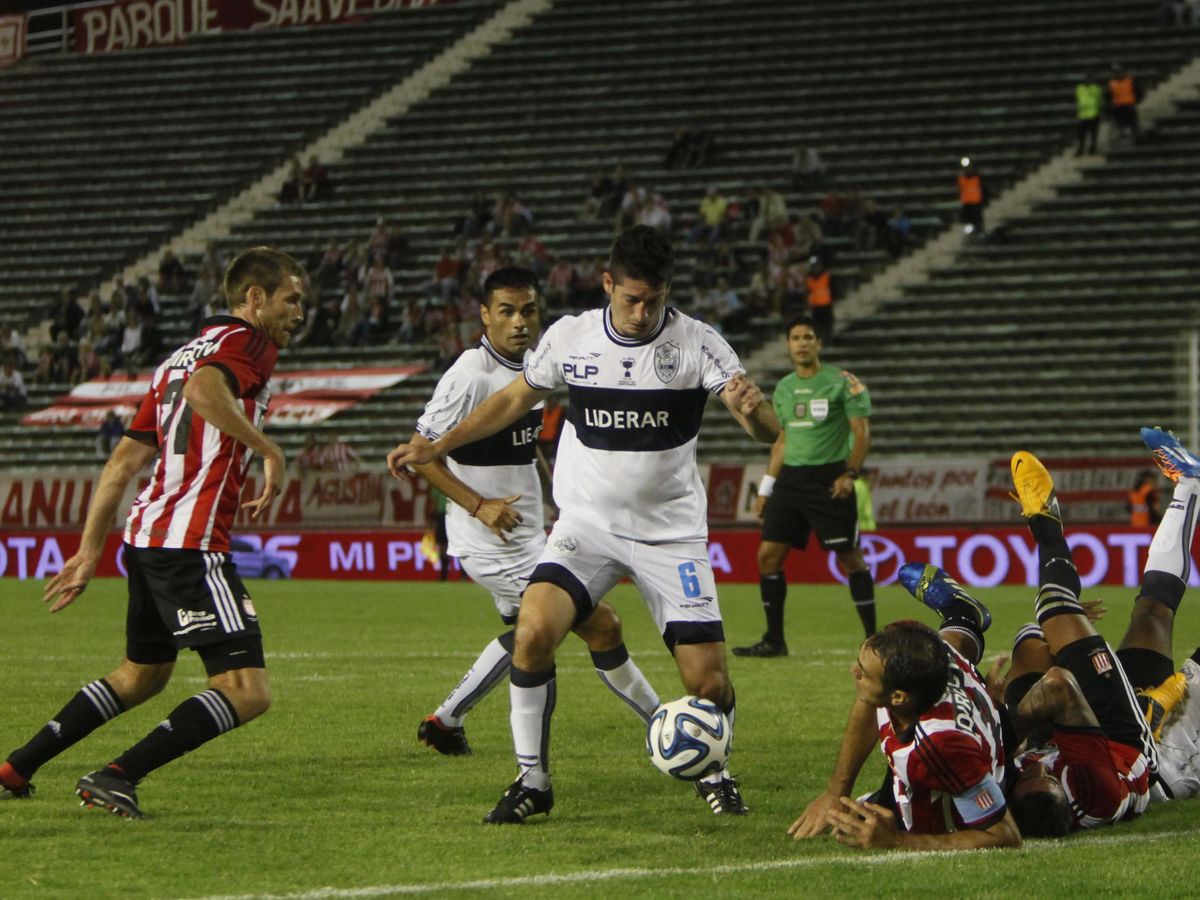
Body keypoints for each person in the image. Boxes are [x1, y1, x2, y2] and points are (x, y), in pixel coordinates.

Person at [387, 226, 780, 822]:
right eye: (630, 299)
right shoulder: (571, 338)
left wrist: (757, 416)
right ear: (607, 285)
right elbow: (511, 400)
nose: (643, 312)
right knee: (532, 632)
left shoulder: (699, 342)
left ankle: (715, 771)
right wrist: (437, 442)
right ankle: (533, 782)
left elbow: (766, 428)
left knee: (709, 683)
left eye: (654, 299)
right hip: (586, 528)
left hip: (670, 535)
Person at [0, 248, 305, 816]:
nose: (300, 312)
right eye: (291, 299)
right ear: (254, 298)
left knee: (142, 676)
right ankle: (117, 775)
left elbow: (120, 465)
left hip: (145, 537)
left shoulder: (175, 360)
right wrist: (269, 449)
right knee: (247, 690)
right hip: (189, 545)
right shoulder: (248, 344)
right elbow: (205, 393)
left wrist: (89, 551)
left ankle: (17, 766)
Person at [396, 265, 659, 759]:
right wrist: (479, 506)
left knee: (529, 632)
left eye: (528, 311)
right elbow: (419, 454)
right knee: (600, 624)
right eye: (507, 311)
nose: (520, 321)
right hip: (488, 542)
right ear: (484, 316)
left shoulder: (535, 365)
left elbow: (526, 443)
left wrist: (551, 494)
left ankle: (445, 721)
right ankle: (662, 721)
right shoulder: (470, 375)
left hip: (527, 534)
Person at [787, 616, 1019, 850]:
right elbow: (868, 699)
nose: (853, 672)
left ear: (898, 697)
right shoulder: (918, 656)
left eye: (864, 673)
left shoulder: (941, 743)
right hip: (967, 747)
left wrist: (898, 841)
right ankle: (962, 613)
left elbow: (1004, 835)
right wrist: (835, 793)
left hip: (968, 781)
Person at [734, 315, 874, 658]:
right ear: (788, 344)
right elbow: (781, 441)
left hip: (830, 479)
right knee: (767, 557)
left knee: (851, 558)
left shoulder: (844, 382)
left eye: (808, 336)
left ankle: (874, 638)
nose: (801, 343)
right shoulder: (783, 388)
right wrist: (766, 488)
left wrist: (850, 474)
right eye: (795, 337)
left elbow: (861, 433)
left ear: (818, 343)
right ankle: (774, 639)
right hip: (791, 481)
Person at [1107, 63, 1141, 143]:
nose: (1118, 73)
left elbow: (1138, 91)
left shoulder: (1130, 81)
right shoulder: (1111, 83)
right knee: (1120, 127)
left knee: (1133, 126)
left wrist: (1136, 100)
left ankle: (1134, 140)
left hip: (1129, 106)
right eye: (1115, 72)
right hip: (1118, 108)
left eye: (1119, 71)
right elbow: (1108, 96)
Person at [805, 256, 833, 344]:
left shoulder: (827, 276)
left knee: (827, 326)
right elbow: (808, 292)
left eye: (817, 265)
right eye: (814, 266)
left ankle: (828, 342)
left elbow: (834, 290)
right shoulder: (809, 279)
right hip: (815, 307)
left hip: (826, 306)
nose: (815, 268)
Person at [1075, 72, 1104, 156]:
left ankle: (1093, 149)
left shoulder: (1096, 89)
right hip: (1082, 114)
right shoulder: (1079, 88)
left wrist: (1099, 111)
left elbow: (1099, 101)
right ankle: (1081, 149)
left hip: (1093, 113)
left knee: (1093, 134)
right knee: (1081, 134)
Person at [957, 157, 986, 236]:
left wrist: (983, 201)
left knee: (977, 221)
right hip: (967, 204)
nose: (968, 171)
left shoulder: (977, 178)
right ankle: (970, 233)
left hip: (976, 204)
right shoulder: (962, 179)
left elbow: (983, 190)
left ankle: (978, 232)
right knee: (968, 222)